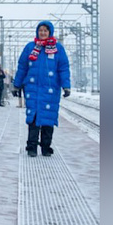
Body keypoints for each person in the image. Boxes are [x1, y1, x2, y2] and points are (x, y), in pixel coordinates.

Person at [13, 20, 71, 157]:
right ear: (37, 32)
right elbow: (22, 67)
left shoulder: (58, 49)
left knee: (48, 120)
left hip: (50, 91)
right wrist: (17, 84)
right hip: (32, 90)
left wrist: (66, 85)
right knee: (33, 119)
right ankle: (31, 147)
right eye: (41, 30)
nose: (43, 33)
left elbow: (63, 68)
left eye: (45, 30)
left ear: (50, 32)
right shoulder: (30, 47)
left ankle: (46, 147)